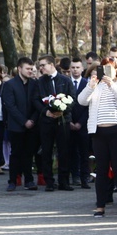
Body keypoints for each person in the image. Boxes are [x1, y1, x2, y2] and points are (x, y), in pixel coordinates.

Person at [78, 56, 117, 217]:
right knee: (101, 170)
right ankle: (100, 206)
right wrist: (91, 85)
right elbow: (81, 101)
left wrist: (111, 83)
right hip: (99, 133)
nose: (105, 72)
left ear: (116, 69)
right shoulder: (94, 85)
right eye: (103, 68)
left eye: (110, 68)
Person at [31, 54, 77, 192]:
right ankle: (49, 181)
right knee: (47, 151)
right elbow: (36, 100)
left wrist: (63, 110)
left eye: (43, 65)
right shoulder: (40, 82)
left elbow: (72, 98)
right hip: (46, 121)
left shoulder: (65, 80)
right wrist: (46, 112)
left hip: (63, 121)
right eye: (40, 66)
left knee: (64, 151)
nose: (41, 68)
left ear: (51, 65)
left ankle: (64, 181)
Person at [1, 58, 38, 191]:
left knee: (28, 154)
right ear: (19, 68)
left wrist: (32, 120)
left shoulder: (34, 84)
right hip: (16, 126)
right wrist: (24, 121)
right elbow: (10, 106)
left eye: (31, 69)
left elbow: (37, 104)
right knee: (15, 153)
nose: (30, 71)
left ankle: (29, 180)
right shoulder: (10, 85)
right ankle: (12, 181)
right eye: (27, 69)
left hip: (31, 125)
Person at [68, 58, 90, 188]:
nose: (75, 70)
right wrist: (70, 121)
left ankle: (84, 178)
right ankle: (74, 175)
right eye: (73, 67)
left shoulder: (87, 84)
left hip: (83, 124)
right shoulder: (66, 83)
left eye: (78, 67)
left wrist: (80, 123)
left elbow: (88, 106)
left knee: (84, 152)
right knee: (71, 151)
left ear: (82, 69)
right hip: (69, 123)